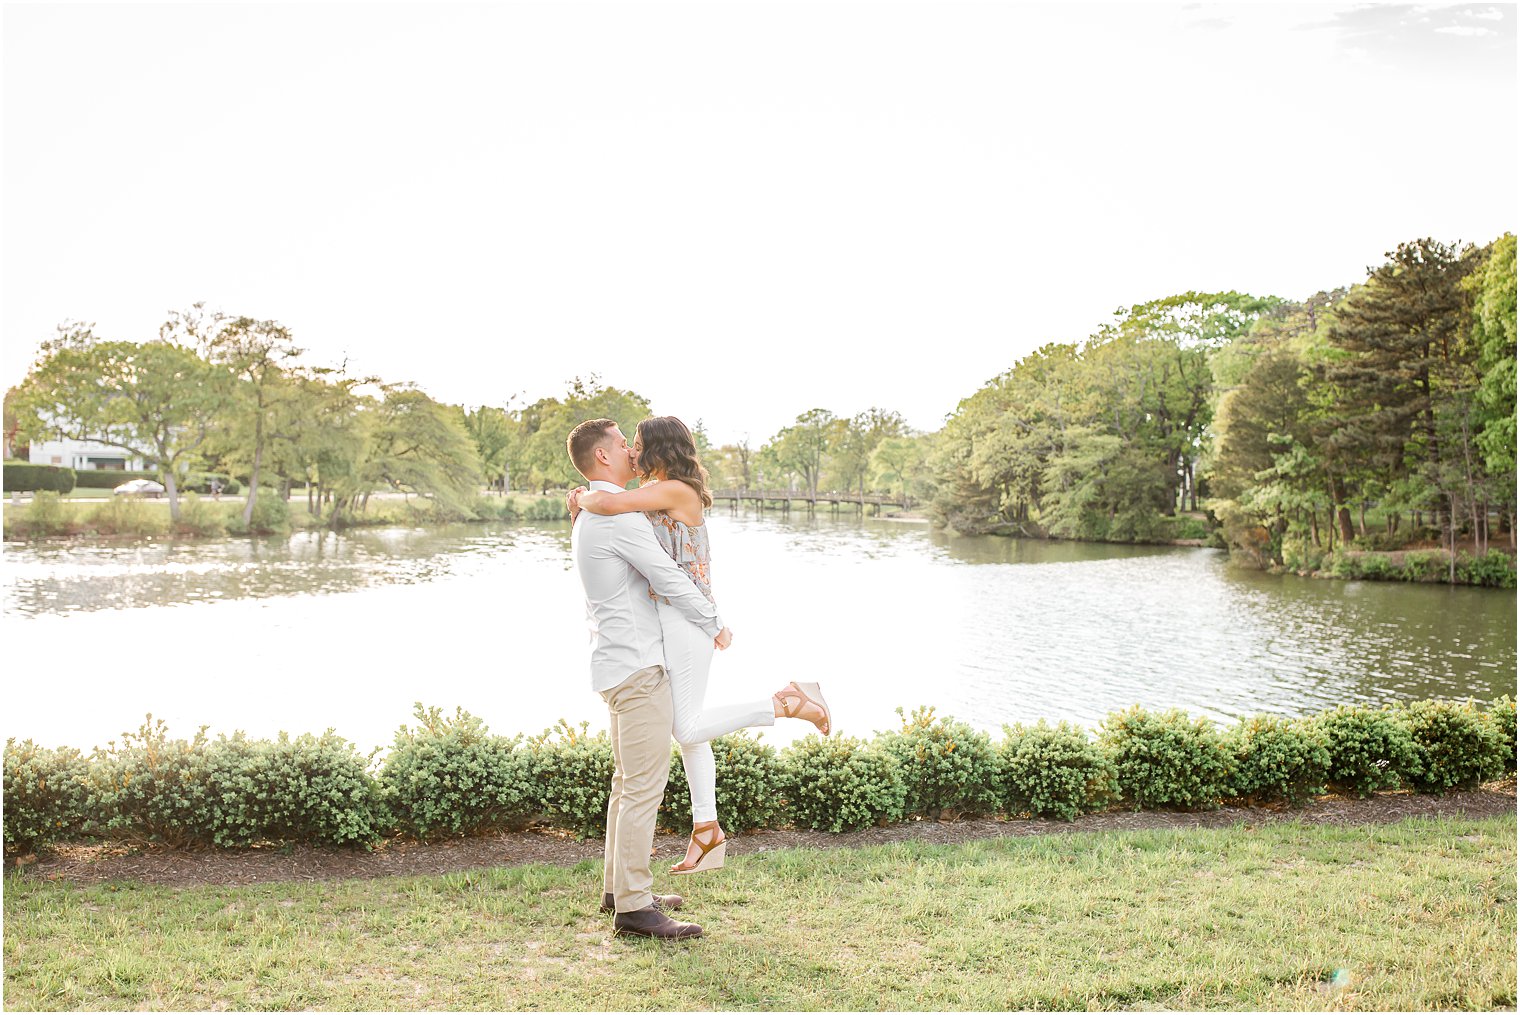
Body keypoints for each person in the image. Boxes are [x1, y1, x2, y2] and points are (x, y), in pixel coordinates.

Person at [569, 415, 831, 878]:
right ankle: (706, 831)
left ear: (658, 448)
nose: (632, 451)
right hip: (667, 617)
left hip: (687, 616)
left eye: (637, 443)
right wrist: (584, 510)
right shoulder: (656, 491)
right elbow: (616, 534)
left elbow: (609, 504)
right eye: (627, 444)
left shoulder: (675, 490)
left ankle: (787, 703)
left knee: (687, 728)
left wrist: (584, 497)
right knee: (690, 725)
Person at [566, 417, 721, 941]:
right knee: (642, 790)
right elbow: (669, 576)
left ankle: (619, 890)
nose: (632, 452)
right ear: (603, 456)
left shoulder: (596, 512)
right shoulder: (618, 517)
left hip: (615, 663)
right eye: (622, 444)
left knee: (625, 784)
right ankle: (634, 907)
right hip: (637, 668)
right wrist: (714, 622)